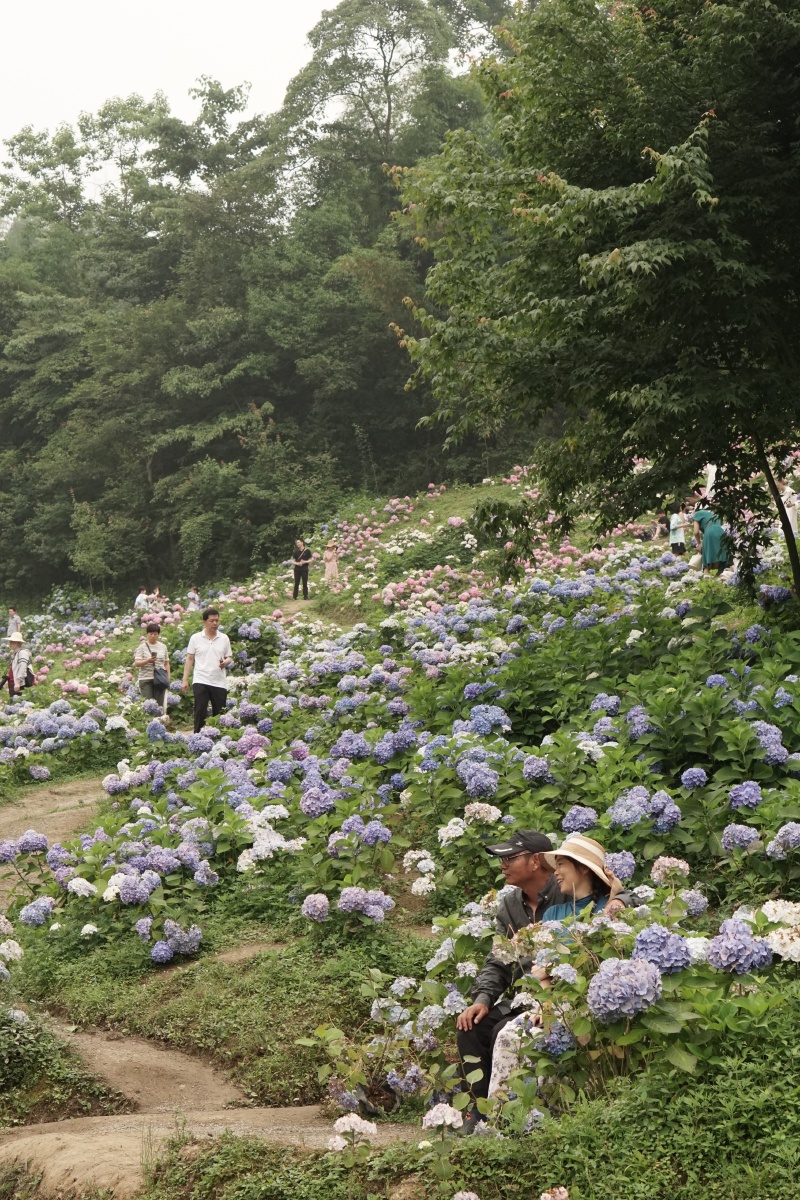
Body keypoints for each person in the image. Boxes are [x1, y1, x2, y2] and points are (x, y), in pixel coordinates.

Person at [454, 831, 627, 1128]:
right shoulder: (511, 905)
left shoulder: (566, 891)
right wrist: (482, 999)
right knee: (471, 1027)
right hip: (531, 992)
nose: (502, 865)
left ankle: (518, 1115)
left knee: (503, 1032)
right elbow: (499, 958)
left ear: (535, 862)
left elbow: (618, 901)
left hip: (561, 996)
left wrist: (619, 896)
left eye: (509, 858)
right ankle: (476, 1113)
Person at [181, 607, 233, 733]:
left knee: (220, 712)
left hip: (218, 681)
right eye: (211, 621)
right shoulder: (195, 638)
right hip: (201, 679)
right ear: (204, 622)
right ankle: (197, 737)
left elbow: (229, 657)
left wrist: (225, 662)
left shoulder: (224, 638)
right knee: (200, 710)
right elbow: (189, 658)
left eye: (216, 620)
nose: (215, 623)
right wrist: (185, 680)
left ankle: (219, 738)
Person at [134, 623, 170, 707]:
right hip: (145, 678)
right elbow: (137, 663)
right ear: (147, 634)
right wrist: (147, 660)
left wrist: (168, 677)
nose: (153, 636)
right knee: (148, 704)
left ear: (158, 634)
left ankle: (159, 719)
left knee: (159, 705)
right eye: (151, 634)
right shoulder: (142, 647)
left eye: (155, 634)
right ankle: (149, 720)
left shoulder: (163, 647)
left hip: (160, 678)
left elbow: (166, 663)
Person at [693, 507, 729, 573]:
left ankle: (706, 578)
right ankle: (719, 577)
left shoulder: (697, 514)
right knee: (720, 556)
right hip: (721, 532)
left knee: (707, 558)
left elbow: (696, 532)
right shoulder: (714, 514)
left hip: (709, 532)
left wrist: (699, 543)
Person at [7, 631, 32, 695]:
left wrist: (18, 682)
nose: (10, 644)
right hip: (13, 683)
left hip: (19, 685)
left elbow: (22, 667)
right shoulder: (16, 654)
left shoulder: (22, 653)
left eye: (12, 642)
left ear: (17, 643)